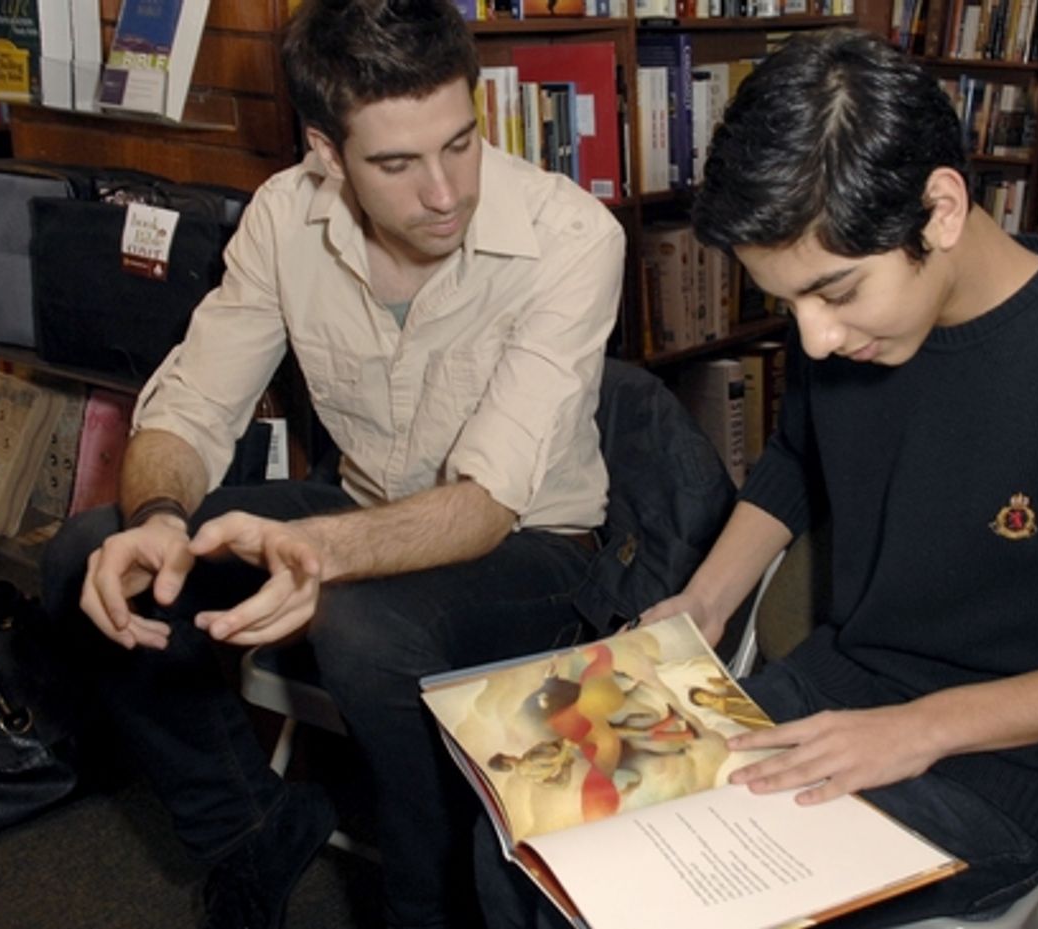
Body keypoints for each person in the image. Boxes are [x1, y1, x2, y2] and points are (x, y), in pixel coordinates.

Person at [476, 29, 1038, 929]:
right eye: (789, 302)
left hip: (1012, 763)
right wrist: (706, 601)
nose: (815, 338)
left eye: (835, 293)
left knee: (661, 902)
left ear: (941, 210)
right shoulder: (854, 323)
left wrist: (925, 726)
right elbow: (800, 454)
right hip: (839, 688)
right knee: (528, 832)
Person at [38, 0, 625, 926]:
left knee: (362, 625)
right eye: (397, 164)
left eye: (461, 143)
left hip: (533, 549)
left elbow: (484, 504)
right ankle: (248, 827)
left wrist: (319, 552)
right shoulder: (284, 214)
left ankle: (431, 907)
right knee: (88, 553)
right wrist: (157, 520)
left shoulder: (574, 236)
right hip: (358, 513)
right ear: (326, 152)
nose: (446, 192)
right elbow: (190, 407)